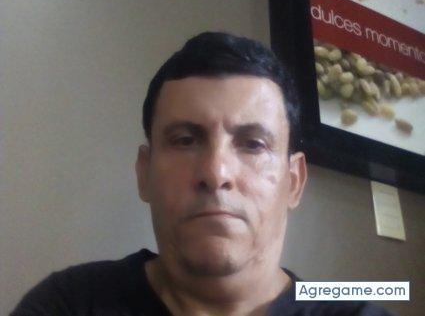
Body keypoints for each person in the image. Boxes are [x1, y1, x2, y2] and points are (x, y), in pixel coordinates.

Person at [11, 32, 394, 315]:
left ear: (294, 181)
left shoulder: (358, 311)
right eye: (184, 140)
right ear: (144, 174)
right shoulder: (70, 302)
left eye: (253, 144)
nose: (216, 172)